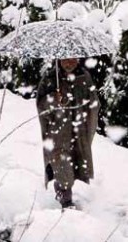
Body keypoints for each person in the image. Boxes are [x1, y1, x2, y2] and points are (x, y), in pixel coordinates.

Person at [37, 57, 100, 209]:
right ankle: (65, 199)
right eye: (65, 59)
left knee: (76, 161)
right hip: (58, 132)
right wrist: (53, 99)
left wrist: (83, 104)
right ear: (59, 60)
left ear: (78, 59)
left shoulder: (84, 77)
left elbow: (94, 102)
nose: (69, 63)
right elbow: (41, 105)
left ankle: (65, 192)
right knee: (61, 163)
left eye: (73, 59)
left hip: (78, 130)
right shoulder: (51, 78)